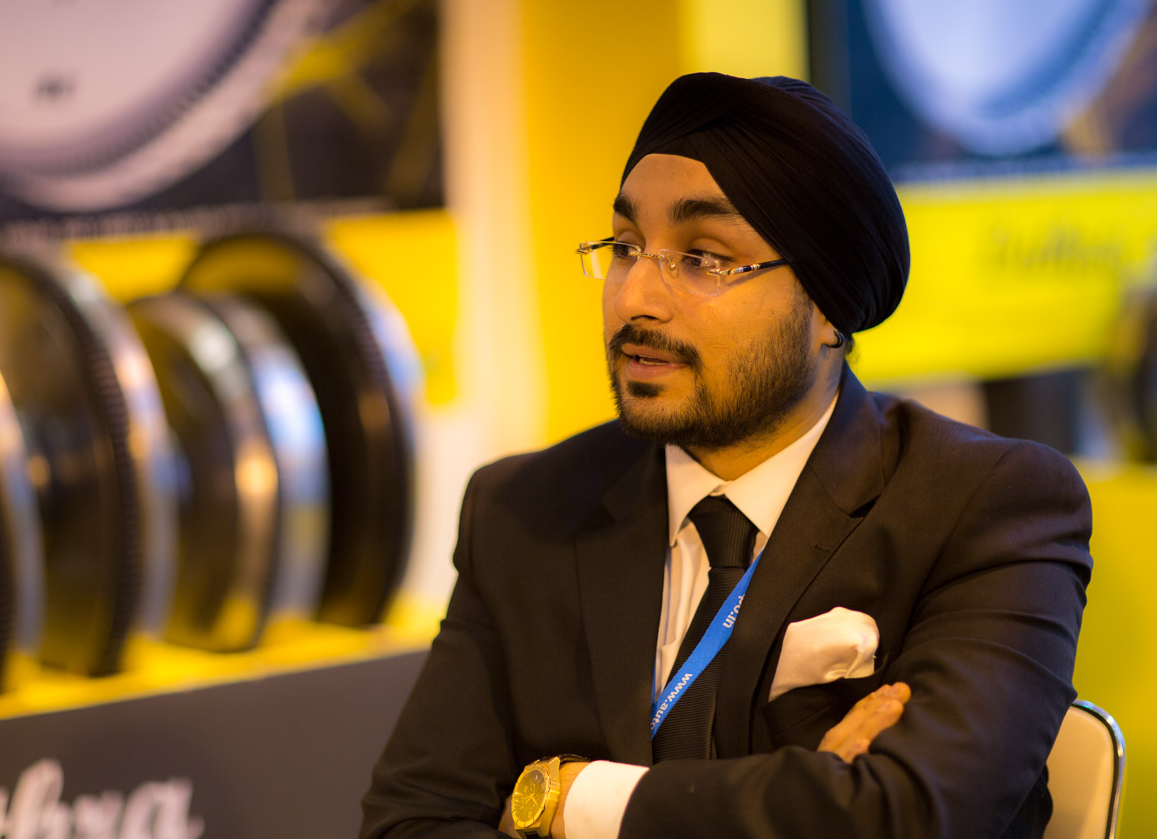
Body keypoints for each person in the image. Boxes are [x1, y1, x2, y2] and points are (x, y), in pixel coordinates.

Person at [360, 73, 1092, 838]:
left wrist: (569, 797)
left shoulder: (984, 504)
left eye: (705, 257)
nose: (635, 298)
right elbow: (408, 824)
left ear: (830, 305)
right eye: (625, 247)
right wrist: (814, 798)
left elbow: (906, 814)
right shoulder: (525, 510)